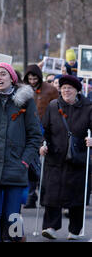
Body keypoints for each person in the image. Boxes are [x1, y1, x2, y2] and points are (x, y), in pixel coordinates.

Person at [0, 62, 42, 242]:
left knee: (12, 216)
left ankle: (16, 238)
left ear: (12, 78)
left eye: (3, 74)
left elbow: (35, 136)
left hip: (16, 167)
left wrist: (24, 161)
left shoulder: (25, 102)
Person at [39, 75, 92, 240]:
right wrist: (42, 144)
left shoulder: (88, 107)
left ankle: (75, 230)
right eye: (63, 88)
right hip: (55, 156)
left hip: (79, 158)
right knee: (52, 194)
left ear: (77, 90)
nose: (66, 91)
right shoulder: (53, 106)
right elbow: (44, 130)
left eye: (70, 88)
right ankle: (51, 227)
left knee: (77, 196)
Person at [22, 64, 58, 208]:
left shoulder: (50, 90)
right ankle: (31, 195)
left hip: (44, 130)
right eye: (29, 78)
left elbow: (56, 108)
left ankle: (44, 194)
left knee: (43, 165)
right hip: (27, 130)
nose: (32, 81)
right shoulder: (23, 90)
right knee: (30, 164)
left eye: (34, 78)